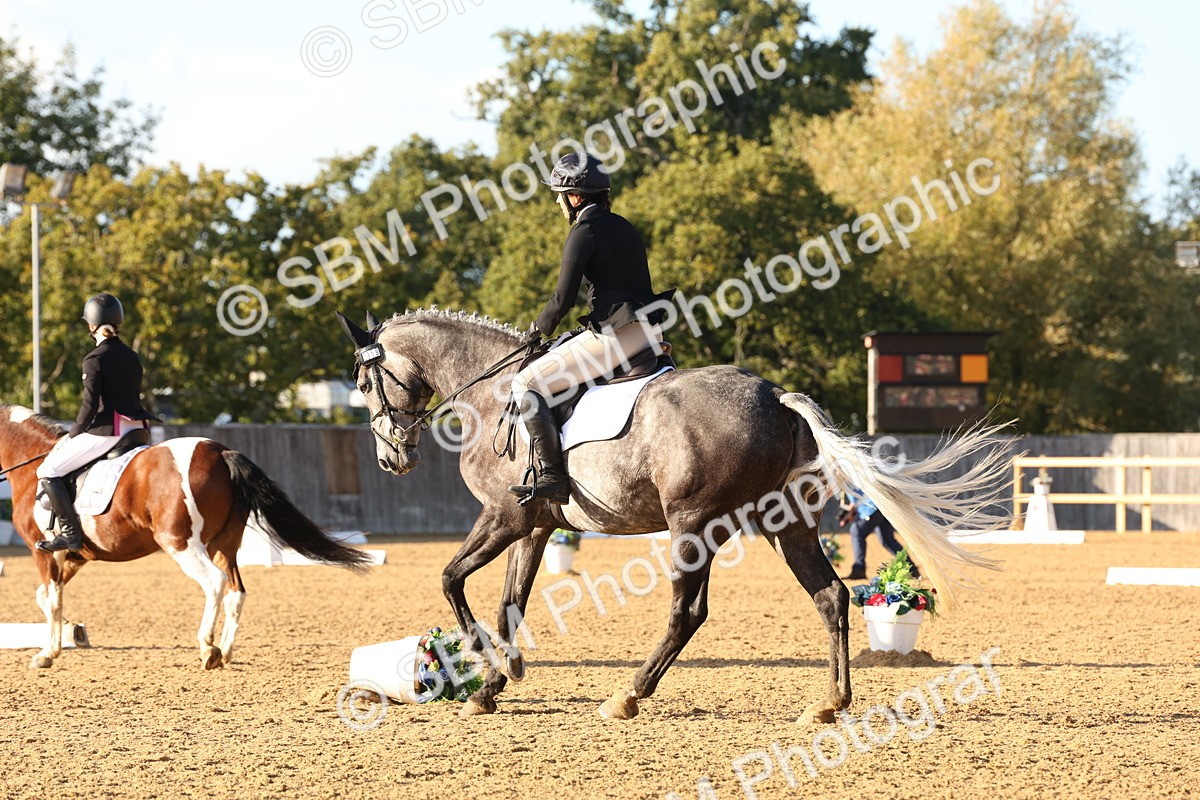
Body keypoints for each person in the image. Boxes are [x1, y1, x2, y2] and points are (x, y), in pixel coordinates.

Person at [507, 152, 675, 505]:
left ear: (576, 196)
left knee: (526, 382)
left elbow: (562, 298)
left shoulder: (584, 232)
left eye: (559, 193)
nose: (557, 200)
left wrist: (537, 329)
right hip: (651, 331)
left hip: (618, 337)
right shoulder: (625, 226)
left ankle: (552, 476)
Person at [35, 293, 154, 552]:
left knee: (47, 470)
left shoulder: (94, 359)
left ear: (90, 325)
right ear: (118, 322)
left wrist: (73, 434)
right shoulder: (132, 356)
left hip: (108, 431)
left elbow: (89, 406)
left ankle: (70, 535)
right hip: (138, 430)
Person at [839, 487, 918, 580]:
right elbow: (858, 495)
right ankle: (911, 568)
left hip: (872, 507)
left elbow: (864, 492)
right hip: (881, 505)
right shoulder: (844, 476)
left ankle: (859, 569)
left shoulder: (844, 475)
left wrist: (854, 511)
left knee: (856, 531)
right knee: (887, 540)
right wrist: (852, 510)